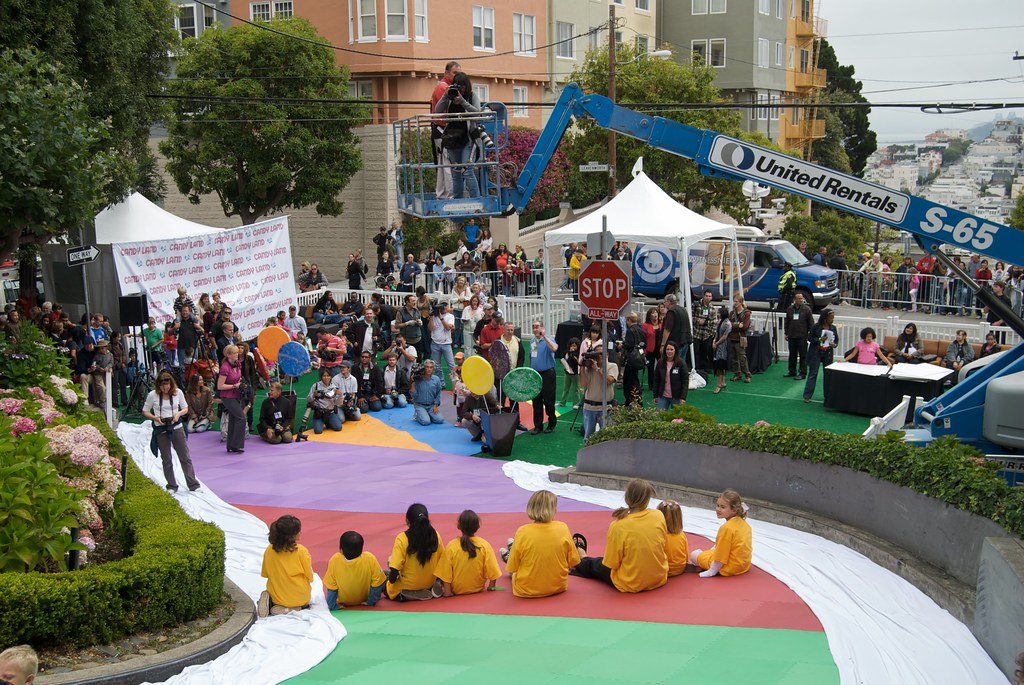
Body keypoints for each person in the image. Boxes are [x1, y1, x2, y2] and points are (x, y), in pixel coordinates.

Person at [571, 479, 668, 593]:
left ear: (626, 497)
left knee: (596, 565)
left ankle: (582, 558)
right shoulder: (658, 515)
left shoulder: (618, 525)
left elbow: (611, 563)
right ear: (647, 499)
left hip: (630, 582)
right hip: (658, 577)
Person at [504, 490, 581, 598]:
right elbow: (574, 561)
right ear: (553, 509)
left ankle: (510, 551)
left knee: (515, 569)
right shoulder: (562, 527)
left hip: (526, 590)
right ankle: (512, 548)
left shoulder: (523, 531)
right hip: (558, 586)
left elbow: (512, 567)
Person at [142, 371, 201, 492]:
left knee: (185, 457)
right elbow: (145, 411)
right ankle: (172, 485)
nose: (165, 389)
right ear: (158, 386)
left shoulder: (178, 392)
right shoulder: (152, 395)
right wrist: (155, 418)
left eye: (167, 386)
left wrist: (178, 414)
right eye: (162, 387)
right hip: (160, 428)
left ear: (171, 384)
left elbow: (185, 408)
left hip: (176, 426)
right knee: (166, 459)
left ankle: (193, 484)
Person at [436, 72, 483, 199]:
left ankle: (476, 200)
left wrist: (462, 101)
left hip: (468, 139)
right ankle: (458, 201)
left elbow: (478, 113)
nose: (460, 89)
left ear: (467, 86)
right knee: (455, 173)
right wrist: (445, 96)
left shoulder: (472, 96)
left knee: (467, 171)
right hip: (452, 139)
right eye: (458, 86)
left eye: (462, 86)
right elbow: (437, 110)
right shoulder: (450, 97)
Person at [434, 509, 502, 597]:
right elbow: (493, 570)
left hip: (456, 590)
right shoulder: (484, 545)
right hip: (477, 588)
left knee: (439, 574)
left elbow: (445, 573)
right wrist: (491, 586)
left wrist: (448, 592)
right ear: (478, 526)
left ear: (459, 526)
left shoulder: (451, 546)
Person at [386, 503, 445, 601]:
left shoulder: (402, 539)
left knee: (384, 582)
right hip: (429, 582)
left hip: (408, 584)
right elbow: (442, 560)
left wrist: (390, 580)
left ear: (407, 521)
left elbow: (394, 572)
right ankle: (433, 586)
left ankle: (406, 593)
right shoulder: (436, 536)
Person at [258, 515, 313, 618]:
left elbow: (266, 573)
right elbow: (310, 576)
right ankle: (294, 608)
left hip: (277, 597)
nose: (300, 533)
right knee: (304, 602)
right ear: (292, 536)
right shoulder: (301, 551)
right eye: (298, 531)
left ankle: (270, 601)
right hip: (300, 597)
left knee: (274, 590)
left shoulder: (269, 550)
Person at [690, 489, 752, 578]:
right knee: (712, 551)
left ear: (734, 510)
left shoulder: (727, 528)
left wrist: (712, 571)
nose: (718, 509)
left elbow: (721, 555)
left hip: (730, 567)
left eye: (722, 507)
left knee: (694, 554)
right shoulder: (744, 524)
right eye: (717, 505)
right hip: (743, 565)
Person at [324, 531, 387, 609]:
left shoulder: (334, 560)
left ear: (341, 548)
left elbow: (332, 587)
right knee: (382, 576)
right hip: (364, 598)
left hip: (343, 600)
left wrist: (332, 605)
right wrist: (371, 601)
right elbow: (378, 582)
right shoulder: (369, 558)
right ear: (361, 548)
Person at [431, 60, 461, 199]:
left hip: (440, 130)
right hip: (443, 129)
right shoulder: (444, 88)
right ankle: (450, 195)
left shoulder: (444, 87)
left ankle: (442, 194)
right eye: (454, 73)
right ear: (446, 73)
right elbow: (446, 110)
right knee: (449, 163)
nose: (456, 76)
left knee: (444, 163)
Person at [578, 343, 617, 439]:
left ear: (607, 354)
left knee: (607, 438)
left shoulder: (612, 366)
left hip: (605, 408)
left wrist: (597, 369)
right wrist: (582, 367)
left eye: (601, 354)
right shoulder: (589, 367)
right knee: (588, 438)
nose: (599, 356)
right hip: (589, 408)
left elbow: (609, 381)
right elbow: (583, 384)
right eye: (597, 354)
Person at [217, 344, 249, 454]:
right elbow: (220, 386)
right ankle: (237, 444)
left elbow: (238, 377)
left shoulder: (237, 364)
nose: (237, 354)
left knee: (234, 419)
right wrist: (234, 386)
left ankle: (231, 445)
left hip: (236, 395)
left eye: (237, 352)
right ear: (228, 355)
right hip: (227, 396)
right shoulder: (225, 368)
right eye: (235, 353)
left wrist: (241, 383)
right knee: (241, 418)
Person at [528, 320, 558, 434]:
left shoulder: (549, 339)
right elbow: (531, 357)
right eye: (533, 327)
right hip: (536, 374)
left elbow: (554, 349)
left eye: (537, 327)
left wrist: (544, 336)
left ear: (542, 327)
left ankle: (551, 423)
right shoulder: (532, 341)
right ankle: (538, 426)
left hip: (547, 374)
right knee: (536, 401)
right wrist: (530, 371)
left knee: (549, 400)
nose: (535, 329)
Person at [803, 309, 838, 403]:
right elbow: (810, 338)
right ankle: (807, 396)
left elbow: (836, 340)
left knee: (828, 374)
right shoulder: (816, 327)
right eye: (831, 318)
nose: (832, 320)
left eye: (833, 318)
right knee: (813, 373)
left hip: (828, 353)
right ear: (825, 318)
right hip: (816, 352)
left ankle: (827, 396)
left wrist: (834, 344)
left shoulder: (833, 328)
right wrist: (819, 339)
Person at [783, 291, 813, 380]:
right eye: (799, 298)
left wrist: (810, 334)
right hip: (792, 336)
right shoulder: (790, 309)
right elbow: (787, 322)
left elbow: (811, 323)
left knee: (803, 355)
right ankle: (792, 371)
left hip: (802, 336)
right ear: (794, 300)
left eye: (801, 298)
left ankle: (802, 373)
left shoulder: (807, 309)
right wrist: (786, 333)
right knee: (792, 355)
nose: (801, 300)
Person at [656, 500, 688, 577]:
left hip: (663, 570)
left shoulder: (658, 536)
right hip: (680, 568)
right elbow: (686, 556)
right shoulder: (682, 535)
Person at [659, 294, 692, 367]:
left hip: (676, 343)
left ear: (668, 302)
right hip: (685, 341)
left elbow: (667, 330)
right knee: (681, 364)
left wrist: (663, 345)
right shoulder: (683, 309)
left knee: (673, 365)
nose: (664, 304)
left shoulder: (671, 312)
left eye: (664, 302)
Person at [652, 340, 687, 409]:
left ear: (675, 351)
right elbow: (656, 380)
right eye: (667, 349)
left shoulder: (681, 363)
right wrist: (655, 395)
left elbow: (685, 381)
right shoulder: (660, 362)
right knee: (660, 415)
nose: (669, 351)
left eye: (671, 349)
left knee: (676, 415)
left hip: (676, 397)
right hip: (663, 396)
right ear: (665, 351)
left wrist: (683, 397)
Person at [428, 300, 457, 382]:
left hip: (446, 344)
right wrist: (431, 317)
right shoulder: (434, 316)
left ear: (447, 307)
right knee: (437, 366)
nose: (444, 307)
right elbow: (431, 328)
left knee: (451, 365)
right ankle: (441, 383)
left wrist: (441, 317)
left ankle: (455, 382)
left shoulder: (450, 316)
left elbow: (448, 328)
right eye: (442, 305)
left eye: (445, 305)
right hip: (435, 343)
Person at [621, 312, 647, 406]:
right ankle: (635, 400)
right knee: (634, 379)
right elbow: (644, 344)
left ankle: (632, 400)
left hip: (631, 358)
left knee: (629, 380)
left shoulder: (630, 330)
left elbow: (629, 345)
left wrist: (622, 345)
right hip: (640, 356)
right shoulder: (641, 330)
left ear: (628, 320)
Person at [410, 359, 445, 425]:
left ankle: (426, 415)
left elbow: (438, 393)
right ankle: (417, 415)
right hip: (420, 405)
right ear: (424, 368)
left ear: (433, 369)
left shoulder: (436, 379)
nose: (429, 369)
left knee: (440, 420)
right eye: (427, 367)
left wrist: (435, 405)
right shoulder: (418, 379)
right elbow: (413, 396)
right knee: (426, 422)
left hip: (431, 405)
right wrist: (412, 383)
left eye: (431, 367)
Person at [728, 294, 752, 383]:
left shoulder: (746, 313)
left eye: (736, 301)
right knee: (734, 358)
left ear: (741, 302)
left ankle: (747, 375)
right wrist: (738, 325)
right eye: (734, 301)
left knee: (742, 358)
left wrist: (734, 325)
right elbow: (729, 324)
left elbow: (745, 326)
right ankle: (737, 374)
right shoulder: (732, 313)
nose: (735, 303)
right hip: (732, 337)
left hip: (740, 338)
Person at [691, 291, 716, 374]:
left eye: (709, 296)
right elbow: (690, 316)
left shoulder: (712, 308)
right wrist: (698, 321)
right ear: (703, 296)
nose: (708, 297)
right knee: (696, 351)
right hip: (696, 332)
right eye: (706, 296)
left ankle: (705, 367)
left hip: (707, 333)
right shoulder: (695, 304)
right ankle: (696, 367)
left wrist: (712, 333)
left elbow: (714, 321)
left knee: (706, 352)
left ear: (711, 297)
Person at [711, 306, 732, 394]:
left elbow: (724, 337)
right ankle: (723, 382)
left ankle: (719, 385)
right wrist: (714, 341)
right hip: (718, 345)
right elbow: (717, 333)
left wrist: (716, 343)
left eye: (719, 313)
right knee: (720, 364)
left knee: (720, 365)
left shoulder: (728, 323)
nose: (718, 314)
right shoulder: (720, 321)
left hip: (724, 347)